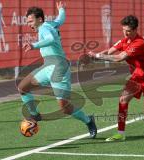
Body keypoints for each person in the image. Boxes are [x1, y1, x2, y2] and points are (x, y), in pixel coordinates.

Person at [18, 1, 97, 138]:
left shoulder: (44, 28)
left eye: (30, 21)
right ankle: (35, 115)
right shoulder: (50, 24)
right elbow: (60, 20)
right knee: (23, 87)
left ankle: (89, 120)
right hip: (47, 66)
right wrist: (61, 10)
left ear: (40, 19)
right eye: (27, 21)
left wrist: (34, 45)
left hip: (58, 68)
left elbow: (50, 38)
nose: (28, 24)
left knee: (65, 108)